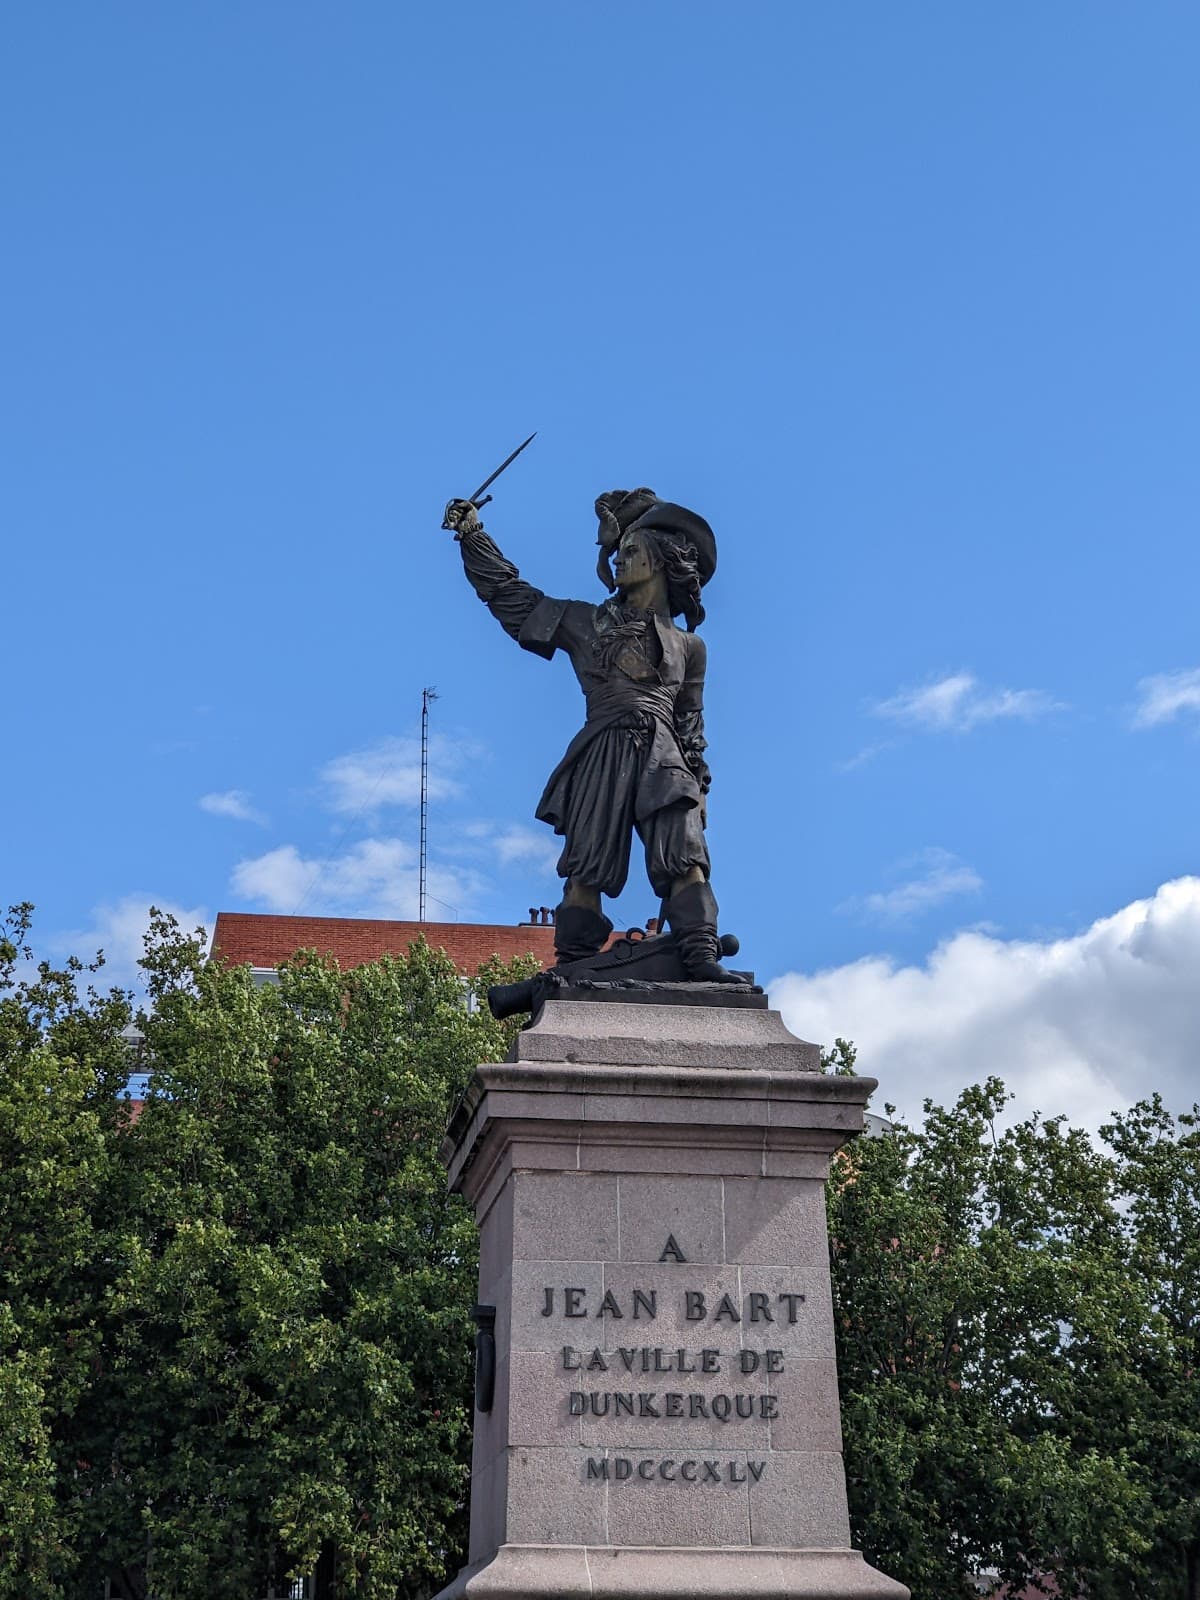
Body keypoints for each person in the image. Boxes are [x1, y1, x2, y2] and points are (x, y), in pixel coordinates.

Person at [442, 487, 739, 981]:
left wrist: (700, 786)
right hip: (602, 748)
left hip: (666, 757)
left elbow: (691, 724)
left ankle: (700, 955)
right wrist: (474, 536)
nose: (618, 560)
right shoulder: (586, 622)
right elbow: (514, 600)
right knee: (586, 869)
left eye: (631, 551)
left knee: (687, 857)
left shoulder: (691, 647)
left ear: (660, 562)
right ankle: (573, 967)